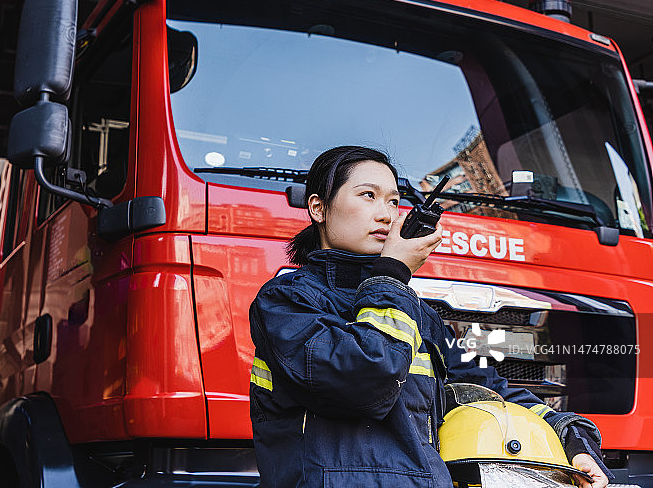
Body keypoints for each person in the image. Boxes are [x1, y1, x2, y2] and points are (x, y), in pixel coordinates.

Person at [248, 146, 612, 488]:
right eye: (368, 195)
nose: (387, 214)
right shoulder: (286, 301)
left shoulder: (417, 313)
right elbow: (365, 380)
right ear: (318, 208)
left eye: (394, 201)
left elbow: (487, 394)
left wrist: (572, 440)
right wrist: (391, 276)